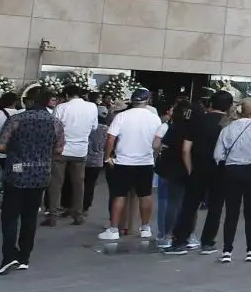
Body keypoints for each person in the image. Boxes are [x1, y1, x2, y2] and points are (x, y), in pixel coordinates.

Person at [0, 86, 61, 275]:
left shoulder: (16, 119)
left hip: (18, 169)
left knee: (10, 215)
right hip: (41, 171)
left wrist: (17, 150)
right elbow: (59, 149)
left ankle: (9, 255)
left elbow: (0, 146)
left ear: (29, 101)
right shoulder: (55, 122)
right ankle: (24, 256)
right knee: (30, 215)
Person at [165, 91, 232, 255]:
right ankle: (207, 243)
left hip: (197, 168)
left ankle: (180, 241)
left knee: (189, 205)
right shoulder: (228, 124)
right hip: (220, 170)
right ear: (229, 106)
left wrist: (190, 169)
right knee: (215, 207)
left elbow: (185, 149)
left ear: (211, 103)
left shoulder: (198, 120)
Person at [214, 99, 251, 263]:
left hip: (231, 171)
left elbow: (217, 155)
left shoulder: (227, 129)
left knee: (231, 211)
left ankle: (227, 251)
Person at [100, 89, 159, 241]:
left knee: (119, 195)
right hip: (145, 162)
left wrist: (107, 157)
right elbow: (157, 142)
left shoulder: (122, 116)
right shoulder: (154, 118)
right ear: (147, 100)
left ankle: (113, 229)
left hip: (124, 162)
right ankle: (145, 228)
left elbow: (110, 139)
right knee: (145, 195)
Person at [50, 87, 99, 224]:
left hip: (61, 149)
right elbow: (94, 127)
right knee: (78, 183)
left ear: (66, 95)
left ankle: (53, 215)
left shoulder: (61, 107)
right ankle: (78, 214)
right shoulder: (92, 107)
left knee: (56, 183)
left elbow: (54, 128)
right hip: (80, 150)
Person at [153, 98, 190, 245]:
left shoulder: (169, 127)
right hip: (183, 168)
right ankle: (183, 235)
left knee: (167, 202)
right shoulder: (190, 128)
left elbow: (157, 145)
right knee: (183, 203)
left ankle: (165, 234)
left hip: (167, 168)